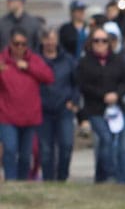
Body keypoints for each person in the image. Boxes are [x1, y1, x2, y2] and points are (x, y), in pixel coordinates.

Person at [76, 24, 125, 184]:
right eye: (97, 40)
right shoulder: (84, 62)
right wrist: (103, 95)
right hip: (95, 108)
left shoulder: (119, 60)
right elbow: (83, 85)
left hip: (116, 108)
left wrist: (117, 94)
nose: (100, 44)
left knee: (119, 144)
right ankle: (107, 174)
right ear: (91, 42)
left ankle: (116, 177)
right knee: (105, 139)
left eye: (104, 40)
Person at [0, 28, 53, 180]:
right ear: (10, 44)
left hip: (30, 117)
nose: (20, 48)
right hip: (7, 116)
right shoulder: (2, 61)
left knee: (25, 155)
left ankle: (23, 182)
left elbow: (48, 77)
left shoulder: (34, 60)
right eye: (17, 44)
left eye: (23, 44)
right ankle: (11, 180)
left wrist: (28, 67)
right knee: (10, 150)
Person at [36, 28, 77, 181]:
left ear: (57, 40)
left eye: (52, 39)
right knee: (46, 150)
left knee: (66, 145)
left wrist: (74, 100)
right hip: (43, 111)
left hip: (64, 110)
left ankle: (62, 178)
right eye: (47, 39)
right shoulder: (35, 59)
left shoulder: (68, 60)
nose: (50, 43)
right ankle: (48, 180)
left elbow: (77, 83)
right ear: (42, 41)